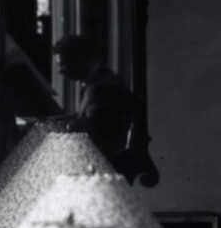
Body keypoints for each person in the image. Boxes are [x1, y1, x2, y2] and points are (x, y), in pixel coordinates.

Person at [53, 32, 157, 186]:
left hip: (103, 164)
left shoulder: (102, 87)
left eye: (64, 64)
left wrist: (59, 127)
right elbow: (89, 117)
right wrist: (53, 121)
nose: (60, 71)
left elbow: (96, 127)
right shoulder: (99, 82)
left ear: (80, 59)